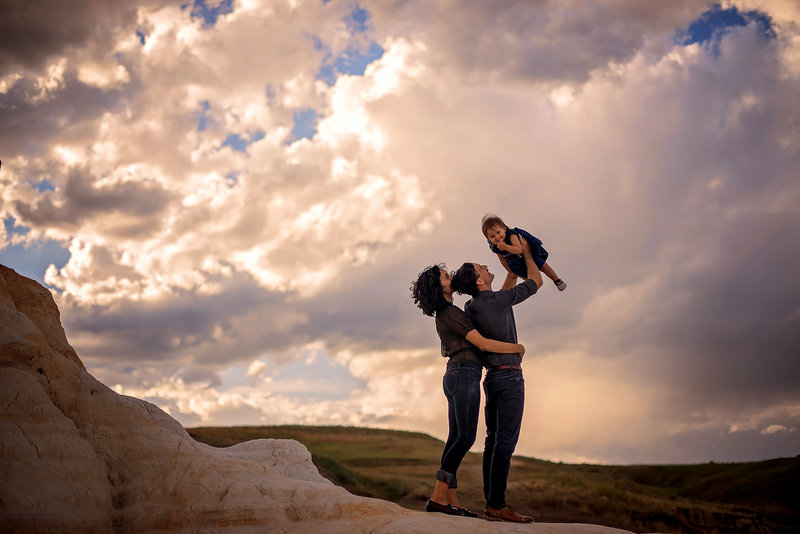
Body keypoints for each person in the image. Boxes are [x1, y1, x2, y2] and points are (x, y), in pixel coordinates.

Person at [411, 264, 526, 518]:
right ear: (440, 287)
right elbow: (482, 343)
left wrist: (509, 278)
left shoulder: (449, 312)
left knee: (456, 437)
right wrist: (516, 348)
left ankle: (450, 498)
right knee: (465, 438)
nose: (449, 275)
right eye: (445, 275)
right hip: (464, 373)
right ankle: (439, 495)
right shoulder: (450, 312)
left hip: (457, 374)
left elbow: (494, 305)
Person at [450, 240, 542, 523]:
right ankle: (498, 505)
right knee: (505, 443)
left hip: (492, 379)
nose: (487, 266)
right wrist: (525, 253)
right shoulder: (493, 301)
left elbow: (500, 299)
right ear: (479, 280)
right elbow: (537, 280)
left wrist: (510, 272)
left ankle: (493, 504)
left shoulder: (474, 305)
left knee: (493, 442)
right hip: (510, 376)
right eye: (482, 267)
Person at [481, 213, 566, 292]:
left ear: (504, 228)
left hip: (529, 253)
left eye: (498, 232)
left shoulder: (511, 235)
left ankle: (557, 280)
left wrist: (505, 246)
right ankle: (532, 284)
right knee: (520, 273)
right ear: (488, 239)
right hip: (516, 260)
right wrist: (510, 271)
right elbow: (502, 259)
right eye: (492, 236)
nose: (497, 237)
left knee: (544, 266)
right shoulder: (495, 247)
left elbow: (519, 249)